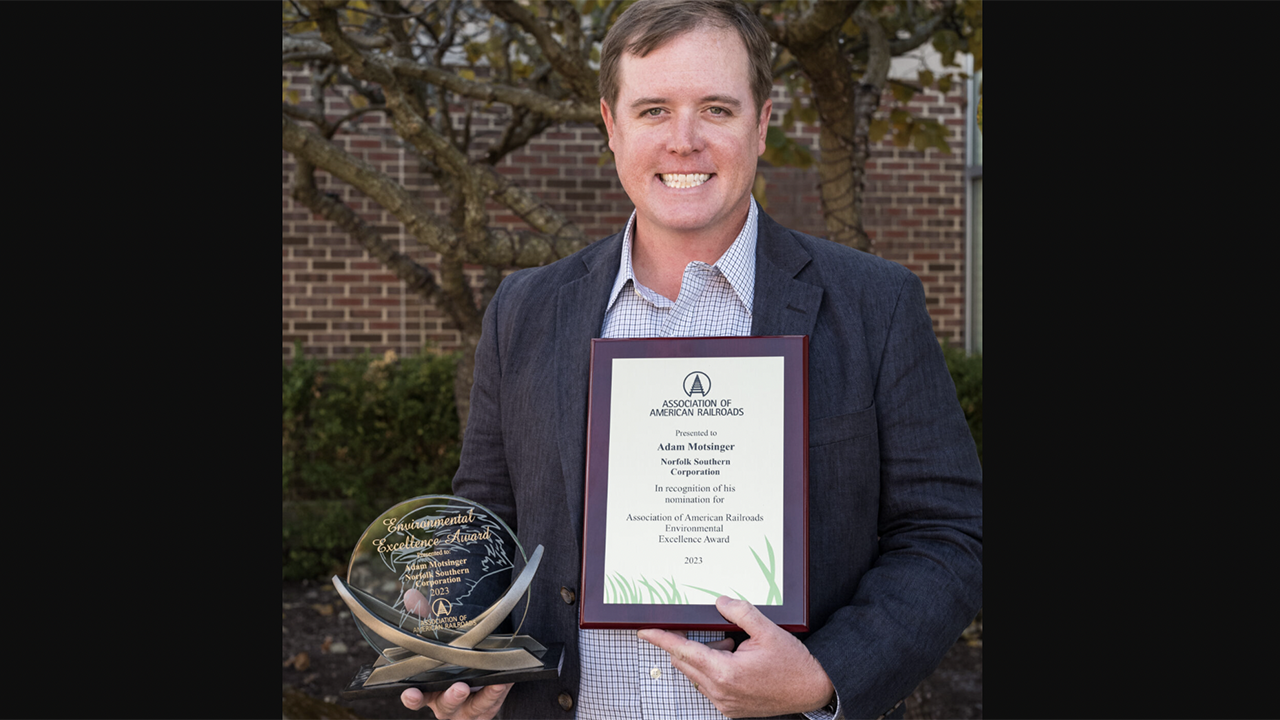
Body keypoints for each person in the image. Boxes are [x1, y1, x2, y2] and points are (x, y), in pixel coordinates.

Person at [400, 0, 982, 717]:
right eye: (652, 110)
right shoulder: (526, 310)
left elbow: (950, 532)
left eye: (715, 109)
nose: (684, 141)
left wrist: (826, 674)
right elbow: (485, 523)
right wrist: (462, 649)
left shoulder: (874, 305)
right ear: (611, 126)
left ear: (761, 123)